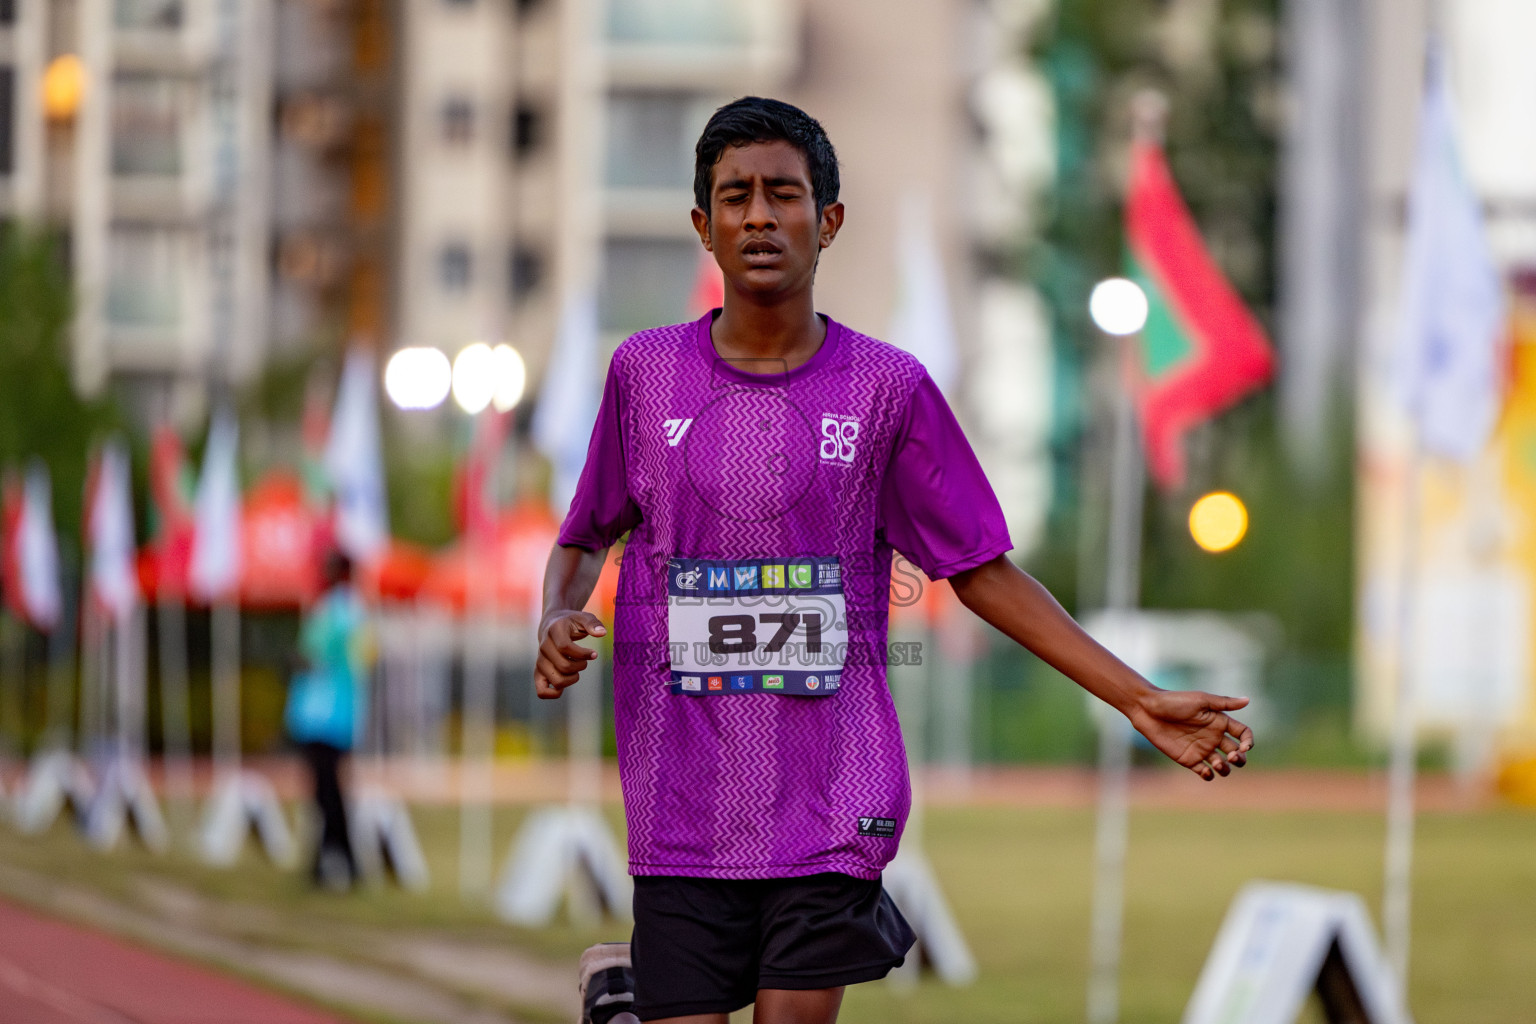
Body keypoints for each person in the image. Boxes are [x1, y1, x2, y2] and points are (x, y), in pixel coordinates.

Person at [536, 97, 1254, 1024]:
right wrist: (556, 615)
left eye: (784, 195)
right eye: (736, 197)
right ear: (702, 226)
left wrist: (1134, 695)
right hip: (682, 795)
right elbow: (584, 532)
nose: (760, 216)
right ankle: (624, 995)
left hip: (836, 789)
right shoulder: (643, 375)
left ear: (827, 221)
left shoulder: (886, 390)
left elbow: (983, 569)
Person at [285, 550, 371, 890]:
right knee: (326, 791)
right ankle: (335, 860)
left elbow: (315, 655)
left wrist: (301, 659)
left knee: (328, 792)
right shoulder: (342, 608)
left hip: (328, 713)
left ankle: (335, 861)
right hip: (327, 713)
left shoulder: (343, 610)